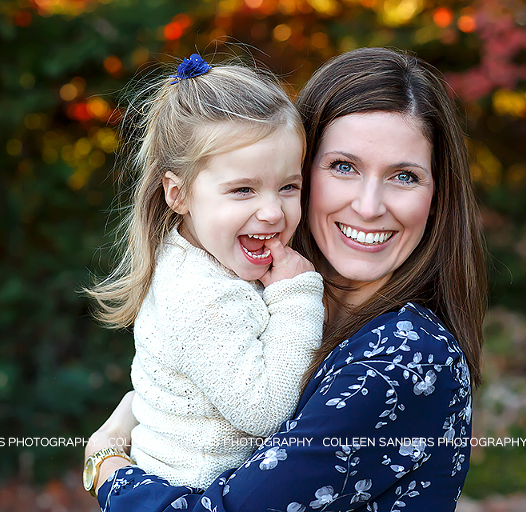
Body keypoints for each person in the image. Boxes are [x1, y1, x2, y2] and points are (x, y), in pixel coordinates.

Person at [85, 47, 488, 512]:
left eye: (404, 176)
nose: (370, 205)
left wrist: (107, 466)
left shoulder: (403, 358)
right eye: (344, 167)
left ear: (437, 196)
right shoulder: (242, 288)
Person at [83, 54, 325, 492]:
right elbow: (266, 411)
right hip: (189, 493)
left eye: (288, 186)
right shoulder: (200, 295)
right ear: (179, 194)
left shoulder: (207, 256)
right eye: (243, 190)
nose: (273, 211)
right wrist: (298, 297)